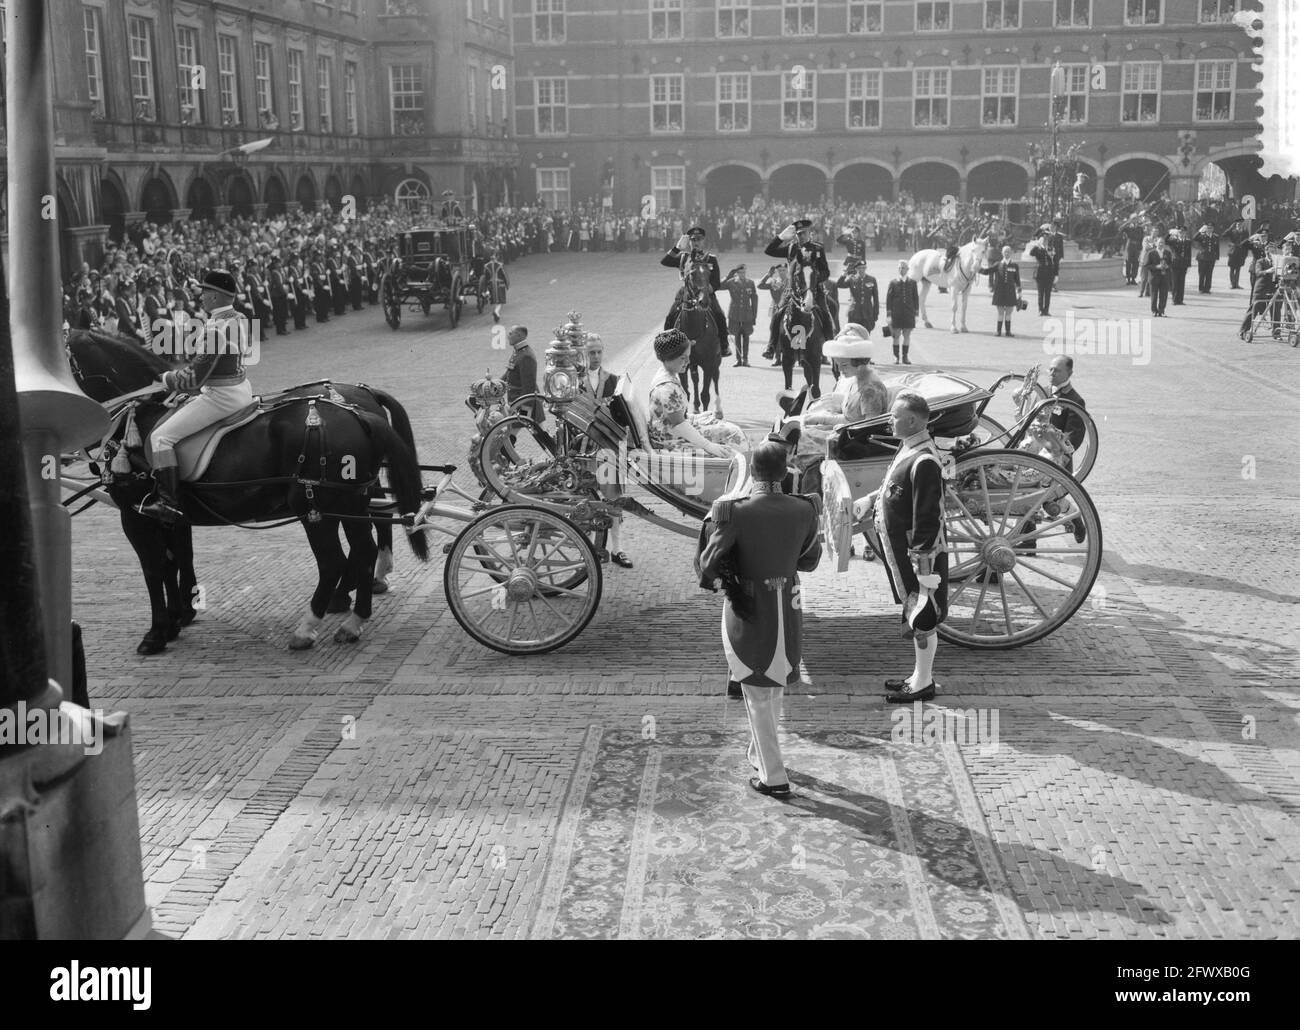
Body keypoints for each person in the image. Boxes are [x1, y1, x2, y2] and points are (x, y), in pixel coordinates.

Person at [694, 440, 823, 795]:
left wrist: (727, 577)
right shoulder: (805, 508)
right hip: (788, 605)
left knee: (755, 695)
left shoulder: (734, 510)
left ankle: (774, 777)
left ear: (752, 472)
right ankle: (758, 753)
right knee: (773, 689)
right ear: (785, 472)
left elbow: (708, 565)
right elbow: (809, 560)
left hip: (749, 609)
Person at [852, 391, 948, 703]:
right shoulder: (910, 448)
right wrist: (869, 499)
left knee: (921, 615)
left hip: (915, 556)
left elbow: (927, 518)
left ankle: (923, 682)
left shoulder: (925, 461)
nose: (889, 421)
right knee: (912, 612)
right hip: (903, 553)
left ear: (911, 420)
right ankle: (920, 676)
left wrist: (922, 567)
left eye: (894, 416)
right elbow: (894, 485)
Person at [139, 270, 254, 522]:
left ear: (215, 296)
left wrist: (165, 378)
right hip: (241, 388)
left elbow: (193, 379)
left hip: (220, 396)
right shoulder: (240, 317)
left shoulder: (216, 329)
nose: (200, 296)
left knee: (160, 437)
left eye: (205, 292)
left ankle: (168, 502)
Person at [647, 328, 746, 457]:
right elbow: (679, 425)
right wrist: (708, 446)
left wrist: (698, 417)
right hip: (669, 439)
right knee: (733, 432)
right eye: (683, 358)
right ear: (668, 358)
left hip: (668, 431)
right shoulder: (667, 388)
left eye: (688, 357)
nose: (688, 362)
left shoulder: (666, 375)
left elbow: (675, 416)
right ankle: (743, 468)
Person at [661, 225, 731, 355]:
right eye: (693, 240)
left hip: (706, 293)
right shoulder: (683, 257)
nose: (696, 242)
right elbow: (665, 261)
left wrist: (706, 290)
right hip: (686, 293)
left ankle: (724, 345)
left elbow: (715, 281)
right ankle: (667, 346)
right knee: (670, 317)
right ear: (690, 241)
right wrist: (677, 247)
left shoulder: (711, 258)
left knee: (719, 315)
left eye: (699, 239)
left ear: (703, 241)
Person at [764, 218, 834, 340]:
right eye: (798, 233)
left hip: (813, 289)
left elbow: (825, 272)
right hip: (792, 290)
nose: (801, 236)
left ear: (809, 233)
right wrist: (780, 238)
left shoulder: (817, 248)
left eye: (804, 233)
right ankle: (771, 345)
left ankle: (829, 345)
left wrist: (811, 281)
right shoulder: (791, 248)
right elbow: (769, 251)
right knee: (778, 314)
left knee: (825, 313)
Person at [719, 263, 759, 367]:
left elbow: (754, 299)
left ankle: (745, 359)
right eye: (740, 272)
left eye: (744, 272)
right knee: (736, 336)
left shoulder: (750, 283)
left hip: (747, 314)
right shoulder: (731, 282)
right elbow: (719, 286)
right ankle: (738, 359)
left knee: (746, 336)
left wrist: (754, 315)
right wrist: (728, 276)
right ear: (736, 273)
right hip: (735, 313)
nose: (742, 274)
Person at [503, 325, 544, 423]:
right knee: (540, 433)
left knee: (510, 433)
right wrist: (496, 384)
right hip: (518, 401)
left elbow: (529, 386)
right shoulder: (518, 352)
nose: (508, 336)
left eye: (510, 333)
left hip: (523, 404)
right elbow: (509, 372)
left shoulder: (526, 356)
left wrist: (523, 408)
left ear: (519, 336)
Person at [981, 245, 1023, 337]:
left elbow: (1018, 281)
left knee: (1008, 313)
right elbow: (987, 271)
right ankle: (998, 331)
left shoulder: (1015, 266)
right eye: (1005, 252)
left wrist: (1019, 294)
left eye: (1008, 251)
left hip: (1010, 292)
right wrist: (978, 269)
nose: (1007, 253)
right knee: (1000, 313)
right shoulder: (997, 264)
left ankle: (1008, 332)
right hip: (999, 291)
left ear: (1011, 253)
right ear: (1002, 253)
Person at [884, 260, 918, 364]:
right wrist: (889, 315)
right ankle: (896, 357)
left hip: (908, 313)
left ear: (907, 269)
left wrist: (916, 314)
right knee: (896, 335)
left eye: (903, 267)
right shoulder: (893, 282)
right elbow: (888, 299)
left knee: (907, 335)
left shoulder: (912, 283)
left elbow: (915, 298)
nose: (901, 269)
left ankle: (905, 357)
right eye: (899, 268)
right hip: (896, 313)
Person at [835, 256, 879, 335]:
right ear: (856, 269)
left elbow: (876, 298)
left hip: (867, 313)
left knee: (866, 335)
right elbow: (839, 284)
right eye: (859, 268)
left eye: (863, 268)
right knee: (853, 335)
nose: (862, 270)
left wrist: (876, 313)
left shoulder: (872, 279)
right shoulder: (852, 279)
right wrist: (845, 272)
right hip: (854, 312)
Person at [757, 262, 788, 365]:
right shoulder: (773, 282)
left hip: (789, 309)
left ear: (787, 271)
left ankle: (798, 355)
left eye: (784, 270)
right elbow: (760, 285)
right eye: (780, 271)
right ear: (777, 272)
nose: (782, 272)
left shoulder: (792, 281)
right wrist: (768, 275)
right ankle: (776, 355)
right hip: (777, 310)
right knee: (775, 331)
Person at [1029, 228, 1056, 316]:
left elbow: (1053, 260)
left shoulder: (1050, 247)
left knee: (1048, 293)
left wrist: (1055, 274)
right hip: (1040, 273)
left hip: (1049, 273)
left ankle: (1046, 310)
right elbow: (1031, 253)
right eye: (1044, 237)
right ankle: (1040, 310)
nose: (1045, 239)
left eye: (1047, 238)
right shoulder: (1038, 248)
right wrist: (1037, 245)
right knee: (1041, 293)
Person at [1146, 236, 1172, 316]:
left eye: (1162, 243)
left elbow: (1171, 263)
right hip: (1154, 277)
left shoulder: (1167, 253)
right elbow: (1146, 265)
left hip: (1164, 277)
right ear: (1156, 243)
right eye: (1159, 242)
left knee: (1164, 294)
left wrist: (1168, 266)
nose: (1161, 244)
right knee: (1154, 295)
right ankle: (1154, 311)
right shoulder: (1151, 253)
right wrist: (1156, 267)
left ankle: (1162, 310)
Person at [1193, 224, 1220, 294]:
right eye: (1208, 228)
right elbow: (1194, 238)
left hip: (1211, 258)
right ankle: (1201, 288)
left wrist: (1217, 257)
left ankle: (1207, 288)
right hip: (1202, 258)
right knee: (1202, 274)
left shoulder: (1215, 236)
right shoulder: (1202, 236)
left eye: (1211, 228)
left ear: (1213, 229)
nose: (1209, 229)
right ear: (1206, 229)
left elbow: (1217, 248)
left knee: (1209, 274)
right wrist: (1200, 231)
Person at [1168, 228, 1192, 305]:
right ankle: (1174, 299)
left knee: (1182, 282)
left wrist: (1188, 264)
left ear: (1186, 233)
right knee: (1175, 282)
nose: (1182, 234)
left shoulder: (1188, 241)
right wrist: (1170, 233)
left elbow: (1189, 254)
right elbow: (1166, 241)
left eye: (1184, 232)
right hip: (1175, 264)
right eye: (1181, 232)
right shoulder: (1174, 241)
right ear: (1178, 233)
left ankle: (1180, 300)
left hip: (1184, 264)